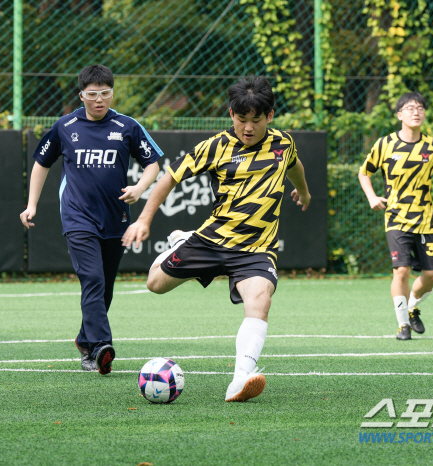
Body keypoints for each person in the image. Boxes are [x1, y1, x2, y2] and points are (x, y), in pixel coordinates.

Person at [122, 76, 311, 402]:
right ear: (231, 114)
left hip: (257, 248)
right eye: (241, 119)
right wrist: (144, 219)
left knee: (260, 301)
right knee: (155, 284)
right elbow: (169, 178)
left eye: (256, 120)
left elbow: (295, 167)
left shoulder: (283, 143)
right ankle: (183, 243)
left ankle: (240, 379)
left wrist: (304, 192)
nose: (248, 127)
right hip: (212, 240)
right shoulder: (215, 146)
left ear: (270, 116)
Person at [19, 65, 162, 373]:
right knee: (93, 279)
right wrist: (31, 204)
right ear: (81, 95)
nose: (100, 100)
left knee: (105, 285)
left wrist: (139, 188)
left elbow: (153, 164)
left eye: (106, 94)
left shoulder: (127, 126)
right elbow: (41, 164)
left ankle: (85, 340)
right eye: (93, 94)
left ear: (112, 93)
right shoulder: (64, 126)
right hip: (77, 216)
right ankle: (100, 346)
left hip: (116, 217)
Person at [358, 91, 433, 341]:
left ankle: (412, 306)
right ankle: (403, 325)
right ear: (399, 115)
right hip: (396, 219)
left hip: (426, 221)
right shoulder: (385, 144)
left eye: (420, 108)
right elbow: (364, 173)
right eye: (410, 108)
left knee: (432, 275)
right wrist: (371, 197)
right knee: (401, 271)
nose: (416, 112)